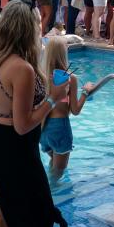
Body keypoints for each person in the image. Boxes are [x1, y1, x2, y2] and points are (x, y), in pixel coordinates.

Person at [0, 1, 69, 227]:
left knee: (5, 215)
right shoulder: (22, 69)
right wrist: (53, 96)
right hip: (17, 153)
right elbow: (22, 125)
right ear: (27, 29)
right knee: (41, 226)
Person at [40, 38, 92, 179]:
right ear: (64, 54)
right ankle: (52, 198)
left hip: (43, 129)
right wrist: (85, 93)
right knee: (58, 174)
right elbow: (75, 110)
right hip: (60, 128)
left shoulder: (42, 76)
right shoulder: (70, 78)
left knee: (53, 164)